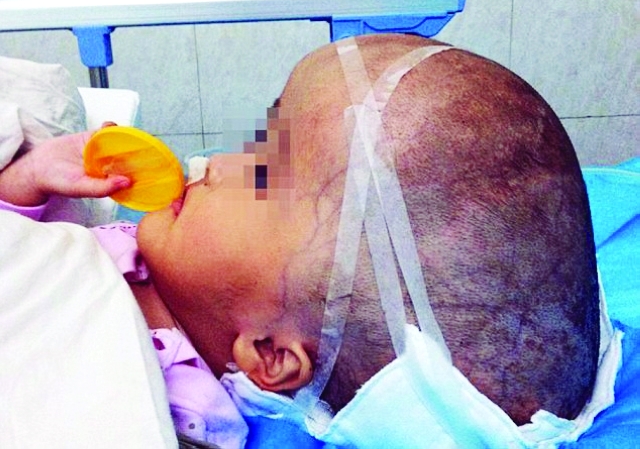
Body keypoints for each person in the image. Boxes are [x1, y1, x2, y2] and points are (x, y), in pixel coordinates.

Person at [0, 34, 623, 447]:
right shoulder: (149, 258)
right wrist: (25, 187)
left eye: (264, 173)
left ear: (270, 356)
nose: (218, 162)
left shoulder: (177, 408)